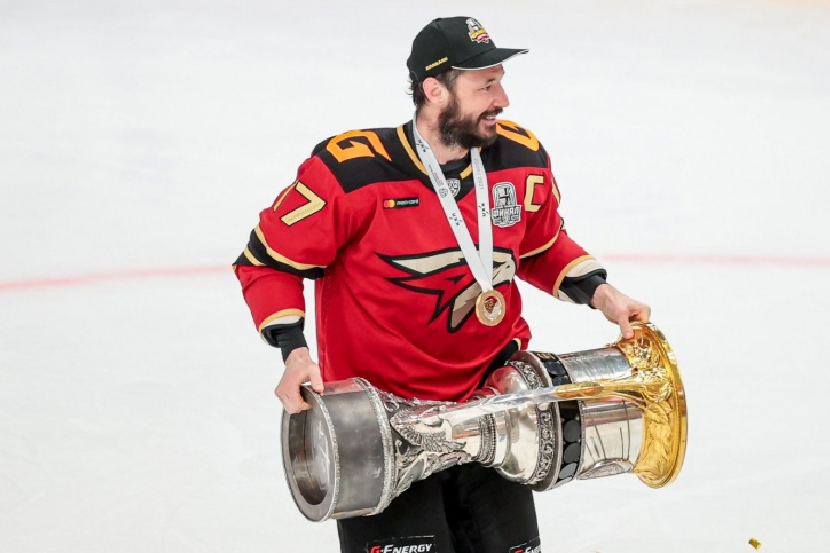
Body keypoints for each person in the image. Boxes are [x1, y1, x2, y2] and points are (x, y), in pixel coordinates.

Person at [234, 16, 650, 553]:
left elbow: (540, 245)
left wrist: (603, 294)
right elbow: (267, 262)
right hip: (382, 425)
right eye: (486, 86)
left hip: (497, 411)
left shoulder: (520, 159)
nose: (502, 99)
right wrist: (294, 352)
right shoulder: (351, 173)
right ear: (434, 90)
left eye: (500, 82)